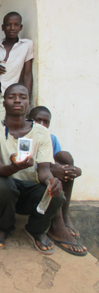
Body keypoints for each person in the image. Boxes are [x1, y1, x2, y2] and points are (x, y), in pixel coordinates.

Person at [0, 83, 65, 254]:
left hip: (32, 191)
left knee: (56, 194)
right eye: (12, 97)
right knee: (0, 185)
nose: (18, 100)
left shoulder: (42, 133)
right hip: (8, 189)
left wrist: (51, 181)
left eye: (23, 97)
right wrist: (14, 167)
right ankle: (4, 226)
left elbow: (43, 170)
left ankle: (36, 229)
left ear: (29, 103)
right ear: (4, 103)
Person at [28, 106, 87, 255]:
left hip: (48, 175)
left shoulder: (51, 138)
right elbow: (30, 166)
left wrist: (73, 169)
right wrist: (52, 170)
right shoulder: (25, 137)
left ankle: (65, 214)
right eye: (37, 120)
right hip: (32, 178)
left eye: (45, 121)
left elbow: (57, 162)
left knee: (65, 158)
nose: (41, 124)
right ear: (29, 120)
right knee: (53, 173)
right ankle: (57, 224)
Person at [0, 12, 34, 124]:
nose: (12, 28)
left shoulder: (26, 45)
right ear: (3, 27)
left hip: (7, 96)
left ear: (21, 27)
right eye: (8, 25)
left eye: (16, 25)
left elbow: (27, 74)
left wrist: (26, 100)